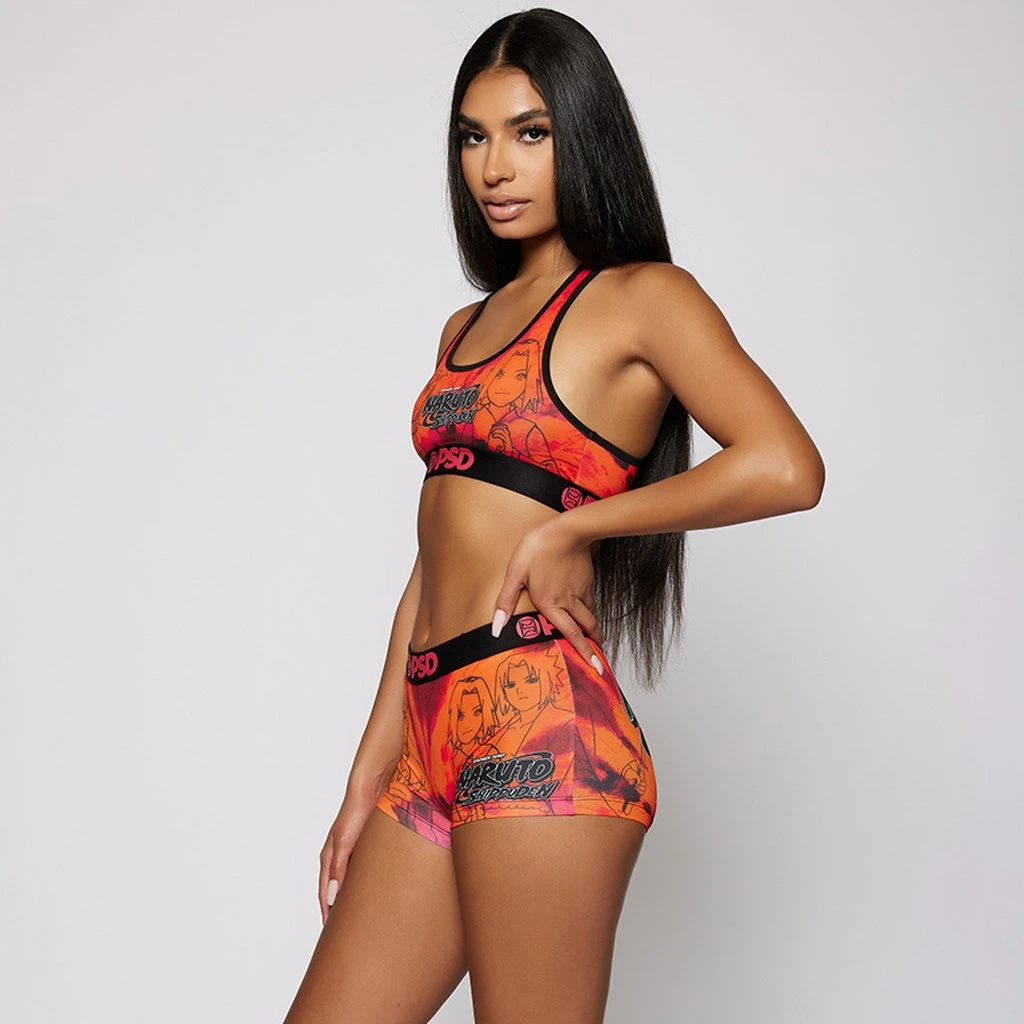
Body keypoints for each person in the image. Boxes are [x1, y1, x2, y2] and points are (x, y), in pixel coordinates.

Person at [283, 8, 825, 1023]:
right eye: (473, 137)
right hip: (433, 735)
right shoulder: (464, 326)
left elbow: (787, 466)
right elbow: (435, 558)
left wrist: (577, 527)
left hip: (543, 731)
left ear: (583, 135)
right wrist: (367, 773)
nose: (495, 167)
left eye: (529, 133)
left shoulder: (643, 298)